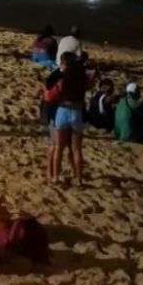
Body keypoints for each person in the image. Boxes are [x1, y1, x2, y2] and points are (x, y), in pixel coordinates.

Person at [46, 51, 88, 185]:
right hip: (76, 111)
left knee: (59, 147)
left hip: (63, 110)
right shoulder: (81, 75)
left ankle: (55, 177)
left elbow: (48, 84)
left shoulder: (63, 74)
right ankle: (79, 178)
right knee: (76, 149)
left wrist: (59, 70)